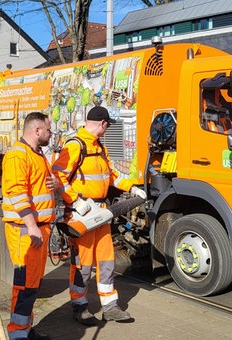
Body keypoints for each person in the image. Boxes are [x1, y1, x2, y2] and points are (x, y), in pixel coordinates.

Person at [52, 106, 146, 325]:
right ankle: (79, 306)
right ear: (103, 124)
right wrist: (76, 201)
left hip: (101, 214)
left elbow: (111, 176)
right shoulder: (75, 145)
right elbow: (58, 176)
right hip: (81, 215)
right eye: (107, 125)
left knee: (106, 261)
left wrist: (132, 188)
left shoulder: (99, 147)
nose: (107, 128)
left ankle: (110, 307)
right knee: (82, 264)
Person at [1, 112, 59, 340]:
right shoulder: (19, 154)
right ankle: (17, 334)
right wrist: (32, 225)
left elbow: (35, 186)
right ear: (37, 131)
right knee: (24, 284)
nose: (50, 133)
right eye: (48, 129)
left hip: (36, 228)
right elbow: (17, 192)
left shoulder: (37, 154)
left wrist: (55, 183)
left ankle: (24, 328)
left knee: (32, 282)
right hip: (25, 230)